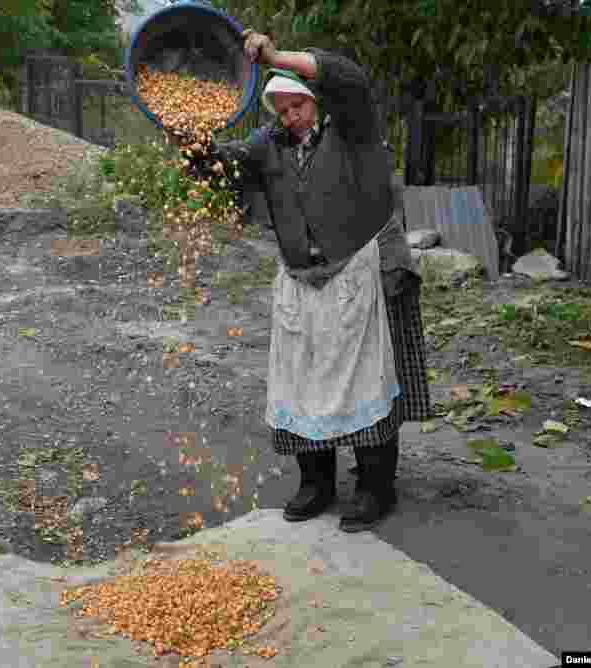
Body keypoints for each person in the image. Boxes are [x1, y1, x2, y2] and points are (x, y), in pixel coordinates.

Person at [176, 30, 434, 532]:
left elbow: (352, 79)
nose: (290, 117)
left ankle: (375, 487)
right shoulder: (269, 144)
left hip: (357, 271)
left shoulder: (351, 131)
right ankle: (315, 483)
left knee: (365, 379)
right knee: (304, 383)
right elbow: (224, 169)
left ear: (317, 101)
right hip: (301, 279)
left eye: (298, 106)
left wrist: (274, 57)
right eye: (282, 109)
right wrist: (188, 137)